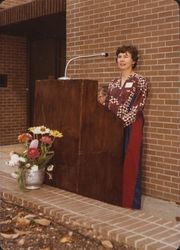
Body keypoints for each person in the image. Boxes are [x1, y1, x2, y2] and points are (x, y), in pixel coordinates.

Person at [98, 45, 148, 209]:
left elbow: (138, 105)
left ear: (133, 60)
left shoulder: (140, 80)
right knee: (114, 160)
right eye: (119, 56)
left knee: (131, 161)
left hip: (132, 125)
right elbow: (108, 104)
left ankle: (130, 203)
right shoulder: (112, 83)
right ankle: (115, 198)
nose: (122, 59)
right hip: (114, 126)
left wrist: (122, 121)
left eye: (126, 56)